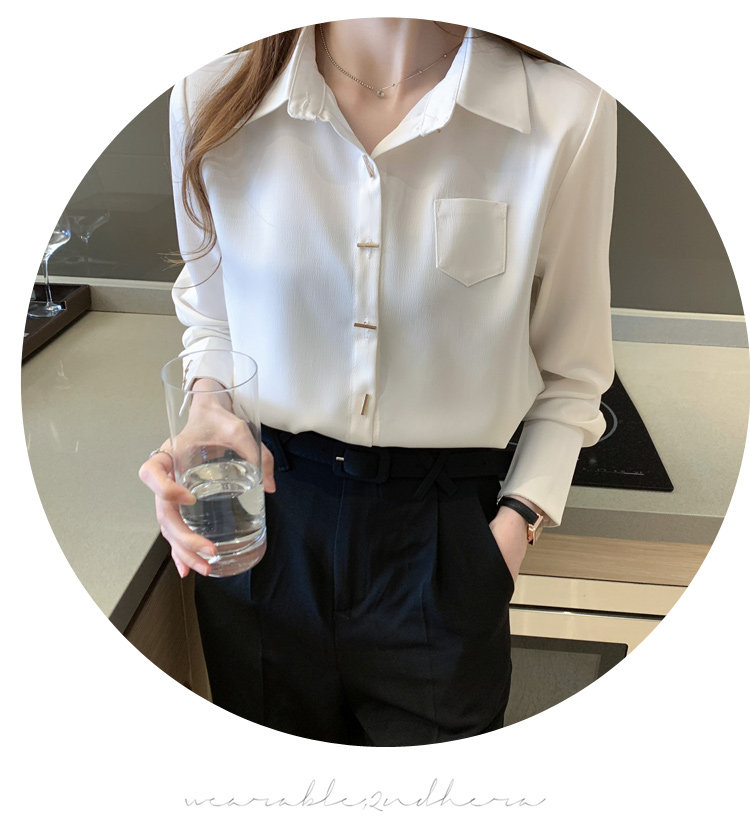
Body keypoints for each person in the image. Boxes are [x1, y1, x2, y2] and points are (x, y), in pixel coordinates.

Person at [139, 18, 616, 746]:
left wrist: (512, 530)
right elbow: (212, 320)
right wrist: (208, 409)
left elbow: (573, 373)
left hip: (443, 540)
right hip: (264, 527)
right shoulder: (209, 96)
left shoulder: (565, 110)